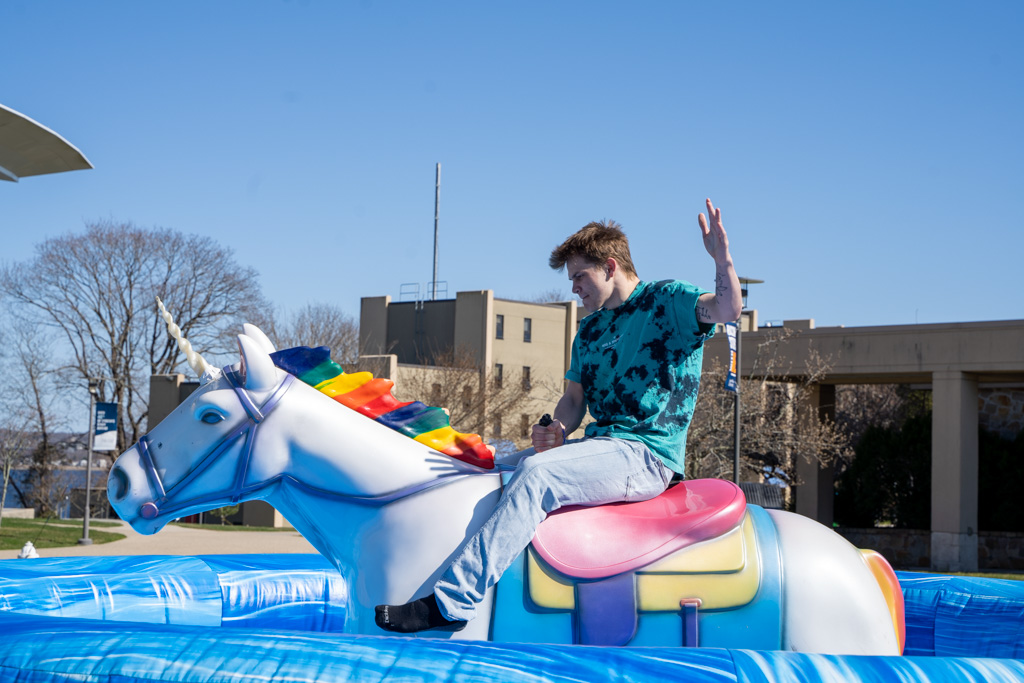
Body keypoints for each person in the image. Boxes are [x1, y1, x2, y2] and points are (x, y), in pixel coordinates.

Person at [375, 198, 743, 633]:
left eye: (579, 277)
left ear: (610, 266)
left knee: (538, 474)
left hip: (647, 456)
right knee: (486, 458)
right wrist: (556, 429)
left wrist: (723, 261)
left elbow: (727, 310)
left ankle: (452, 603)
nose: (574, 289)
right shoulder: (589, 330)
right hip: (600, 447)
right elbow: (573, 401)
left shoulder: (666, 301)